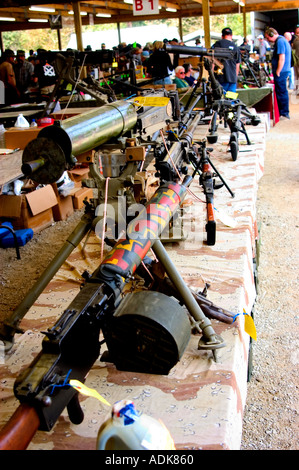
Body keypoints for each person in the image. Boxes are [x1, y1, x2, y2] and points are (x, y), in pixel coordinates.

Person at [264, 27, 291, 120]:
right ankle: (283, 111)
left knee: (281, 92)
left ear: (272, 35)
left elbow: (282, 57)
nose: (268, 40)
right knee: (281, 91)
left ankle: (284, 113)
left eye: (268, 37)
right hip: (283, 70)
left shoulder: (280, 41)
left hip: (282, 71)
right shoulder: (282, 40)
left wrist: (278, 71)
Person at [212, 27, 241, 93]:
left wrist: (211, 77)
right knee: (231, 100)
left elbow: (212, 61)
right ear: (231, 36)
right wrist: (234, 78)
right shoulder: (236, 47)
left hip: (220, 79)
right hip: (232, 80)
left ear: (222, 36)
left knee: (221, 100)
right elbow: (237, 66)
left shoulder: (217, 45)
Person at [291, 26, 299, 95]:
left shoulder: (295, 41)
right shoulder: (296, 40)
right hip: (297, 61)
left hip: (295, 61)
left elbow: (293, 50)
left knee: (296, 76)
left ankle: (297, 90)